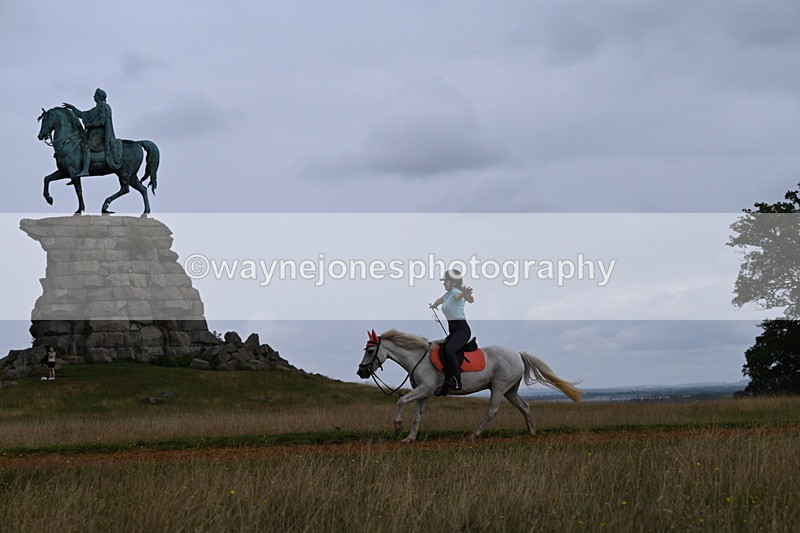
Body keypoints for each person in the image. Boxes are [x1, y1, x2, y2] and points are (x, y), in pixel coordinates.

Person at [429, 269, 474, 395]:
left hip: (462, 330)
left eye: (445, 282)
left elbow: (459, 296)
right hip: (453, 331)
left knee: (449, 350)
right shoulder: (447, 295)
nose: (443, 284)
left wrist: (464, 294)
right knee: (442, 349)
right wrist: (433, 305)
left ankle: (456, 380)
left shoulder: (455, 292)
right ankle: (446, 379)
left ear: (453, 282)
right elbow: (440, 300)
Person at [63, 88, 122, 182]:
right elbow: (82, 114)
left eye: (95, 95)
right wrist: (72, 108)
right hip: (92, 134)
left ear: (99, 97)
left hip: (100, 135)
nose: (93, 96)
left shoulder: (104, 107)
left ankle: (85, 170)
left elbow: (102, 122)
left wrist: (89, 125)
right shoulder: (94, 109)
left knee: (86, 147)